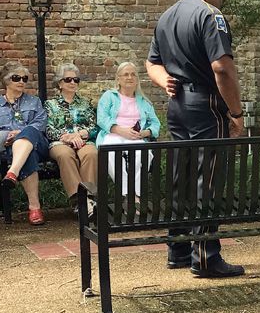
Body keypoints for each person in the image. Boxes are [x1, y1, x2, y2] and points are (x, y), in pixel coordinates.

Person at [146, 0, 245, 278]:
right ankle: (204, 257)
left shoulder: (167, 16)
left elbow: (152, 62)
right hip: (206, 105)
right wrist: (237, 113)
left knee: (182, 176)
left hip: (177, 107)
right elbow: (222, 69)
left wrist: (164, 81)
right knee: (208, 179)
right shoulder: (210, 15)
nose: (222, 0)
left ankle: (178, 249)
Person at [96, 62, 161, 196]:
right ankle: (127, 195)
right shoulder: (109, 96)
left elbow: (155, 123)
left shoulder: (144, 101)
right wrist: (120, 130)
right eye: (126, 74)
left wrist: (146, 132)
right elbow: (101, 118)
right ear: (118, 79)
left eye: (133, 74)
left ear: (137, 80)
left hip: (135, 137)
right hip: (112, 135)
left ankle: (136, 195)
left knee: (143, 155)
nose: (129, 77)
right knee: (112, 154)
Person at [45, 63, 98, 216]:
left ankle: (89, 198)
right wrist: (66, 137)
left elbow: (94, 126)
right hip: (60, 142)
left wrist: (81, 134)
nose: (73, 83)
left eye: (76, 80)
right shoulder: (50, 104)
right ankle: (78, 201)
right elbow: (48, 129)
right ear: (60, 83)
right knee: (65, 155)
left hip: (83, 140)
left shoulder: (85, 103)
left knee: (91, 153)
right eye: (68, 80)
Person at [0, 61, 49, 225]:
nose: (21, 81)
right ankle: (34, 208)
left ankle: (12, 172)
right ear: (6, 80)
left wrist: (20, 133)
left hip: (38, 144)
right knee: (28, 154)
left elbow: (41, 124)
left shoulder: (34, 101)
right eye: (16, 78)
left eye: (24, 78)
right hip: (10, 148)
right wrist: (7, 135)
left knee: (29, 133)